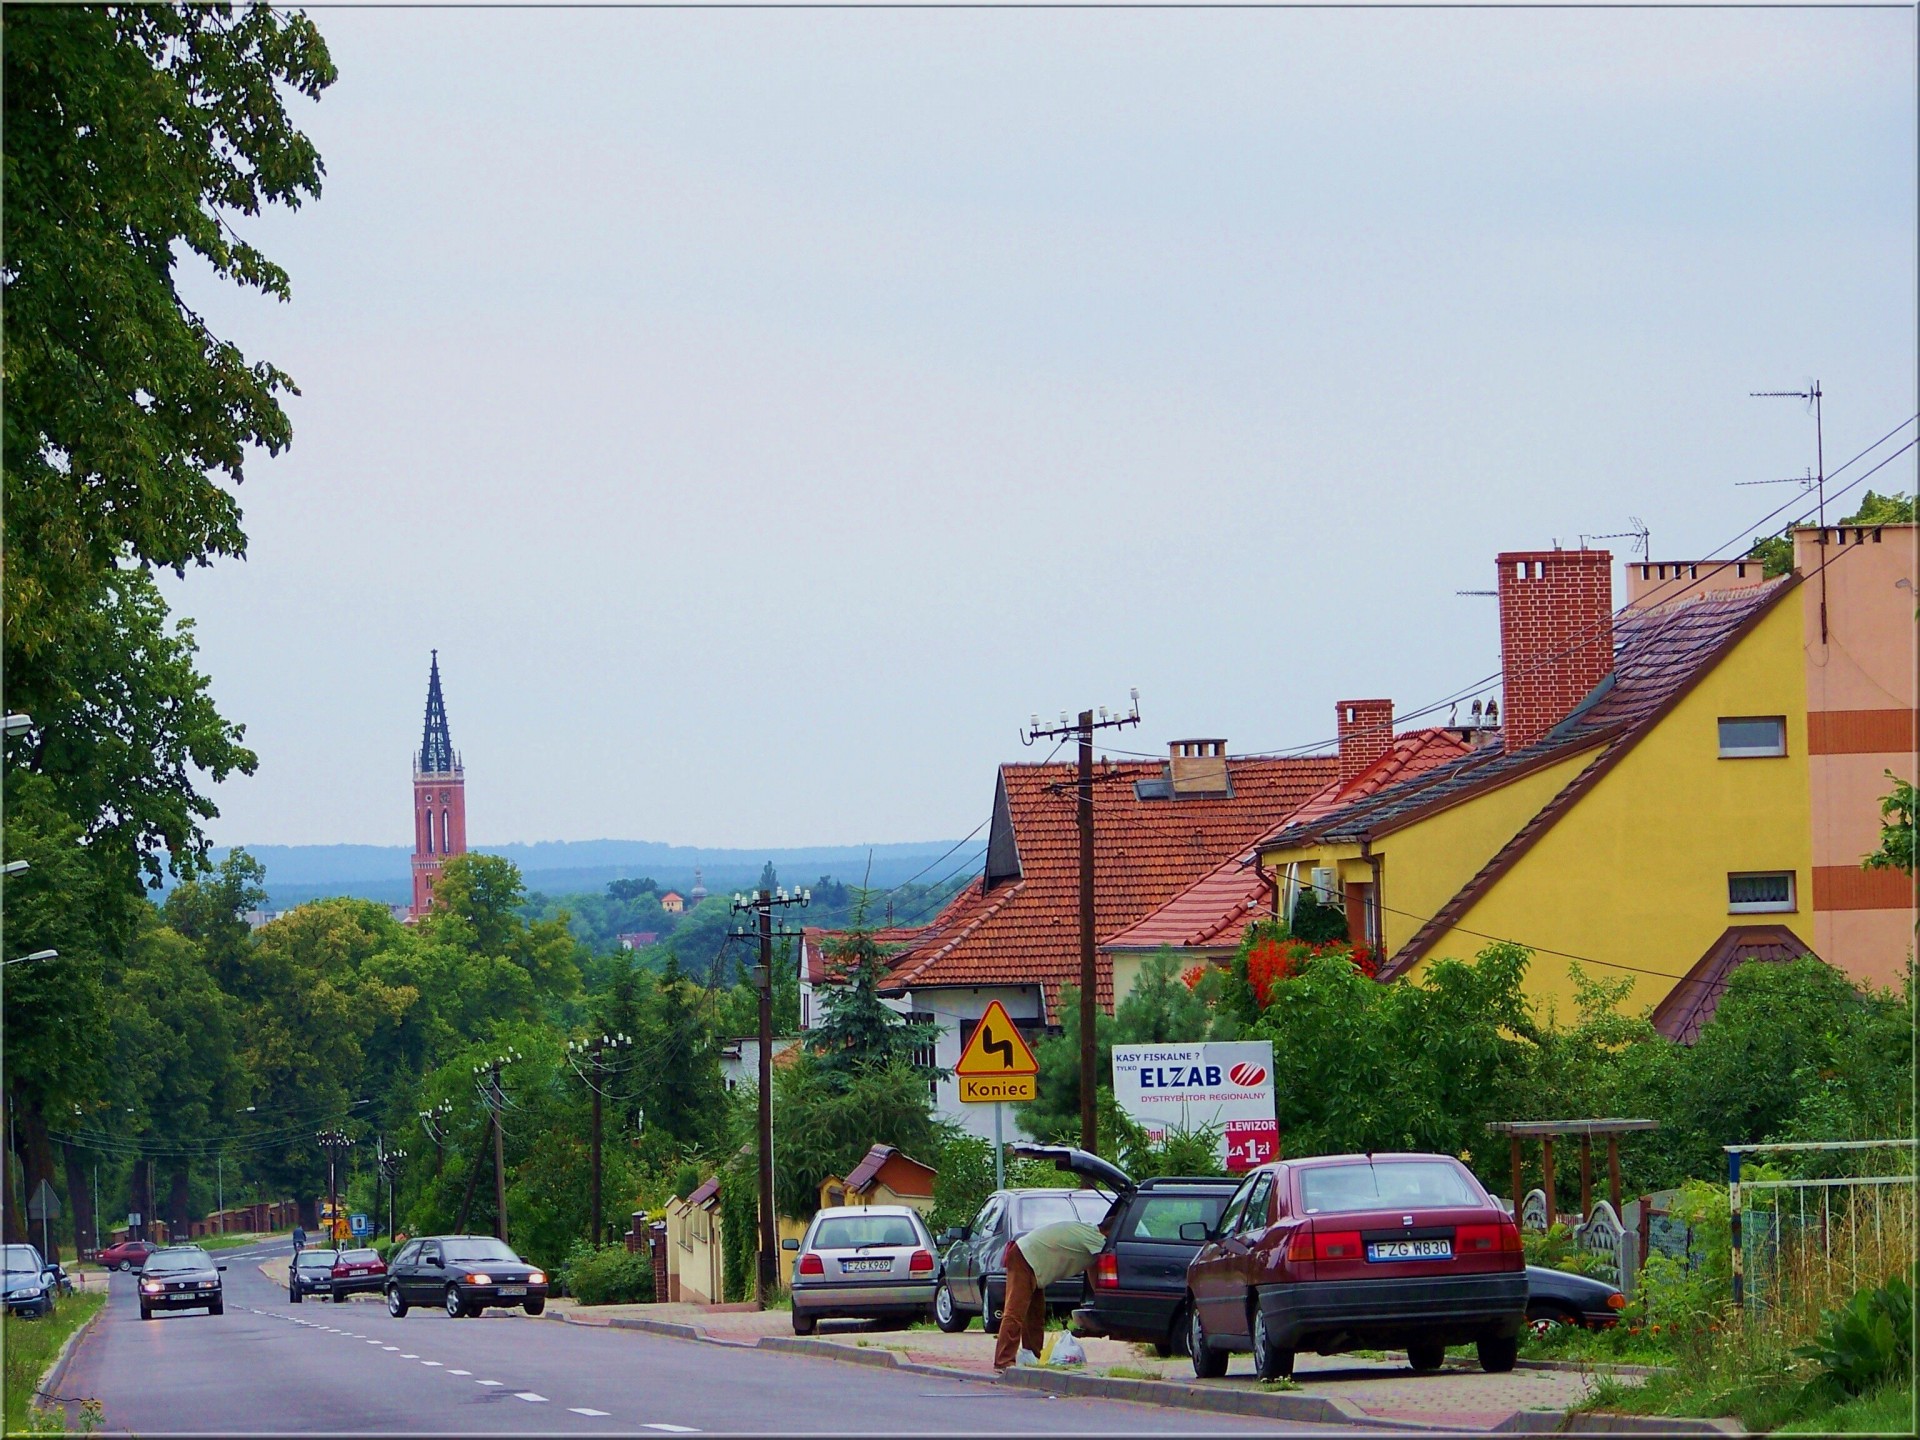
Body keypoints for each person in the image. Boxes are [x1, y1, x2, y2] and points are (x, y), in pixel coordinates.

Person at [992, 1217, 1108, 1372]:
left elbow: (1094, 1273)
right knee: (1015, 1312)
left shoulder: (1088, 1235)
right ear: (1108, 1232)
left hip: (1032, 1259)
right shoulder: (1096, 1239)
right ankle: (1003, 1361)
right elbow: (1108, 1254)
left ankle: (1031, 1357)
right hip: (1025, 1257)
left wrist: (1100, 1298)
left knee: (1035, 1315)